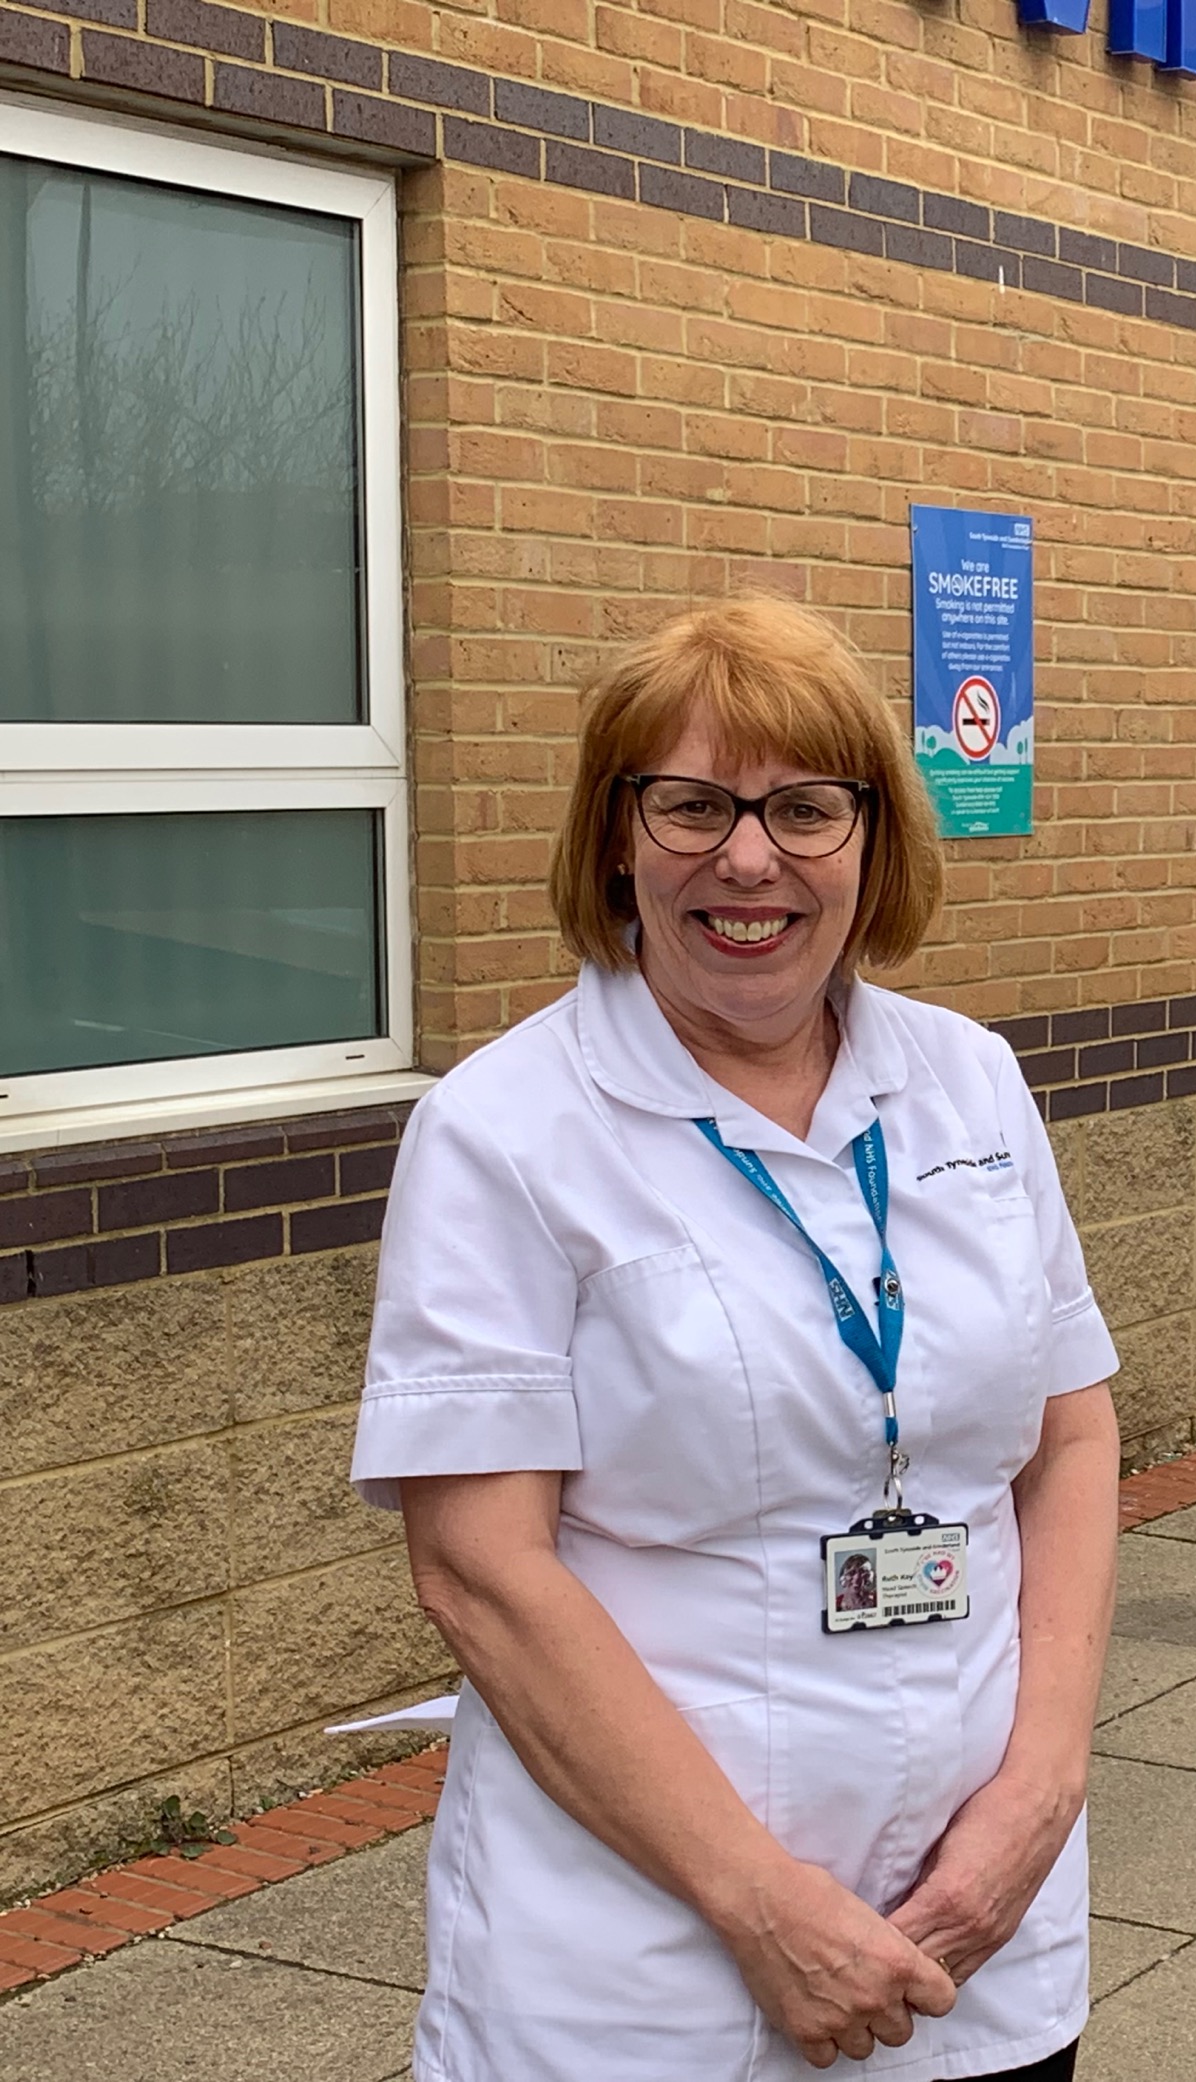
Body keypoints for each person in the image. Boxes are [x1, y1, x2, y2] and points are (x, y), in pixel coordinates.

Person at [351, 598, 1120, 2082]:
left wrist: (1043, 1785)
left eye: (805, 807)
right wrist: (763, 1908)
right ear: (617, 838)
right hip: (646, 1971)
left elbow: (1070, 1434)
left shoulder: (971, 1085)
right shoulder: (504, 1135)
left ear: (873, 840)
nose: (749, 858)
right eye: (692, 804)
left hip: (976, 1933)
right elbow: (482, 1570)